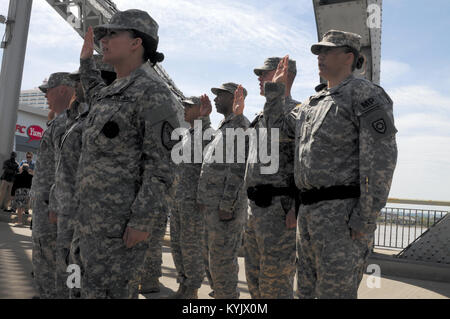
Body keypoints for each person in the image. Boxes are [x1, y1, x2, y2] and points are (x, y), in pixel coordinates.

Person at [264, 30, 398, 298]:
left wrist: (366, 217)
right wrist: (276, 92)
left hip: (342, 218)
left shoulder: (365, 95)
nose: (320, 57)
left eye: (328, 51)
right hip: (309, 215)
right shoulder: (313, 104)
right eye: (318, 52)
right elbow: (277, 128)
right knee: (305, 292)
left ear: (349, 57)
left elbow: (381, 160)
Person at [77, 9, 181, 298]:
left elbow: (163, 167)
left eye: (112, 34)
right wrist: (86, 62)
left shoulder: (154, 93)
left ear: (137, 42)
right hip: (91, 221)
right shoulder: (114, 91)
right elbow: (94, 87)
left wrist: (141, 222)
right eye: (103, 35)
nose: (104, 40)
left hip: (119, 229)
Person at [48, 56, 116, 299]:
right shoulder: (77, 117)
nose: (77, 85)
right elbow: (64, 167)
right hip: (68, 208)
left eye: (81, 81)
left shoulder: (101, 121)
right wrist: (57, 202)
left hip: (87, 213)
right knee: (68, 266)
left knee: (80, 270)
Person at [243, 57, 299, 299]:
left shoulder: (297, 111)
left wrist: (296, 207)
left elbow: (303, 162)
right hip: (255, 210)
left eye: (264, 74)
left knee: (276, 282)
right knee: (254, 280)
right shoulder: (260, 115)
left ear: (283, 75)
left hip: (279, 210)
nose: (259, 78)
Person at [197, 83, 250, 299]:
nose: (216, 99)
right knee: (211, 260)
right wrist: (204, 119)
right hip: (212, 207)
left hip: (225, 210)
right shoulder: (224, 127)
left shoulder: (240, 126)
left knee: (222, 263)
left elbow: (238, 170)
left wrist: (227, 205)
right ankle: (220, 295)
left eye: (220, 95)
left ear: (234, 98)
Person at [31, 72, 76, 299]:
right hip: (47, 205)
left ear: (62, 90)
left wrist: (53, 204)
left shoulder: (66, 123)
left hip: (54, 209)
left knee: (52, 257)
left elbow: (64, 169)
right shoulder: (58, 122)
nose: (45, 96)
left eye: (47, 90)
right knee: (44, 254)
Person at [167, 96, 212, 298]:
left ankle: (192, 289)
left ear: (200, 110)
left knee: (191, 246)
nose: (184, 109)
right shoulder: (187, 134)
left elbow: (209, 168)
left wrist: (203, 197)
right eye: (183, 106)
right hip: (178, 198)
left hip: (193, 201)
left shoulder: (207, 134)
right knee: (177, 244)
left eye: (189, 106)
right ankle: (183, 285)